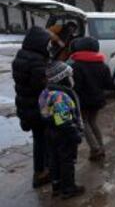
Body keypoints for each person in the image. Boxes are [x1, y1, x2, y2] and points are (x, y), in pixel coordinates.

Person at [12, 26, 51, 188]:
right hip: (37, 106)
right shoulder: (36, 60)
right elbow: (40, 87)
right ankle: (42, 172)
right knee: (44, 139)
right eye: (46, 42)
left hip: (26, 103)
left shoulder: (21, 56)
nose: (48, 45)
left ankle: (40, 170)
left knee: (38, 138)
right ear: (39, 42)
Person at [39, 61, 84, 199]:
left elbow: (45, 114)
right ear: (62, 78)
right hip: (63, 134)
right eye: (70, 75)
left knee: (54, 159)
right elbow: (63, 120)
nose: (72, 78)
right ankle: (69, 189)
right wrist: (75, 134)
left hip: (50, 131)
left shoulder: (46, 92)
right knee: (67, 161)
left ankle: (56, 186)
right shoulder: (60, 96)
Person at [69, 37, 112, 161]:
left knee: (84, 123)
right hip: (98, 100)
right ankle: (101, 147)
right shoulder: (103, 65)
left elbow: (76, 87)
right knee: (93, 122)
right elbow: (108, 85)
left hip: (83, 101)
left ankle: (95, 149)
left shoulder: (76, 66)